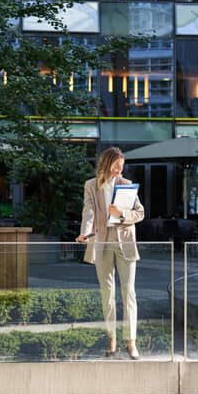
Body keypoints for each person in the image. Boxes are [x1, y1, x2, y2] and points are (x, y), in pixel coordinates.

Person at [77, 147, 145, 359]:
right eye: (116, 166)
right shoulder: (91, 185)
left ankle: (131, 342)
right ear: (107, 164)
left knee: (128, 292)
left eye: (122, 166)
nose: (119, 170)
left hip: (125, 243)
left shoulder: (126, 185)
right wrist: (85, 233)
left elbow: (140, 213)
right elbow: (88, 212)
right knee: (107, 294)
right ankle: (112, 339)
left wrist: (122, 213)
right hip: (102, 242)